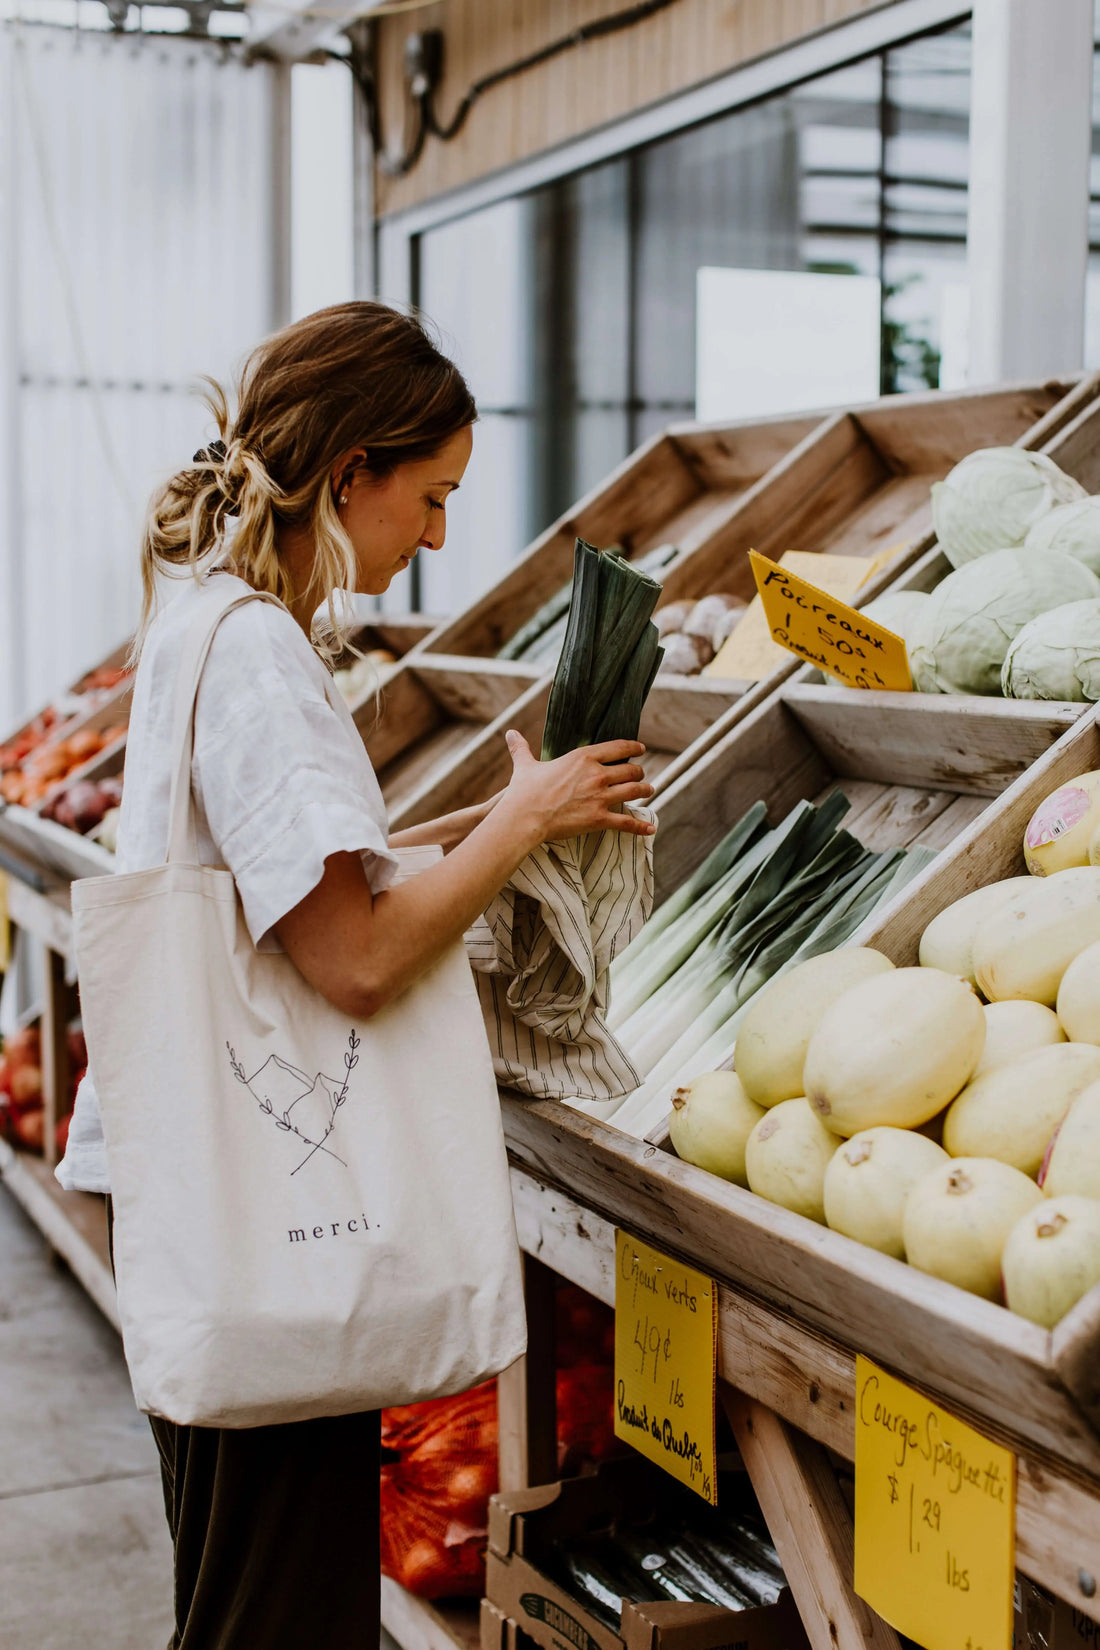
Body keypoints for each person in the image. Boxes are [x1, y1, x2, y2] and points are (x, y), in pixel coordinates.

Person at [55, 301, 655, 1649]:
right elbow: (358, 960)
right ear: (350, 474)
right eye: (430, 497)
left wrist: (488, 825)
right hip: (265, 1201)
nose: (437, 536)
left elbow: (305, 883)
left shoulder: (208, 617)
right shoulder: (261, 652)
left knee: (243, 1596)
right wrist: (520, 823)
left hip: (201, 1179)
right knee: (273, 1620)